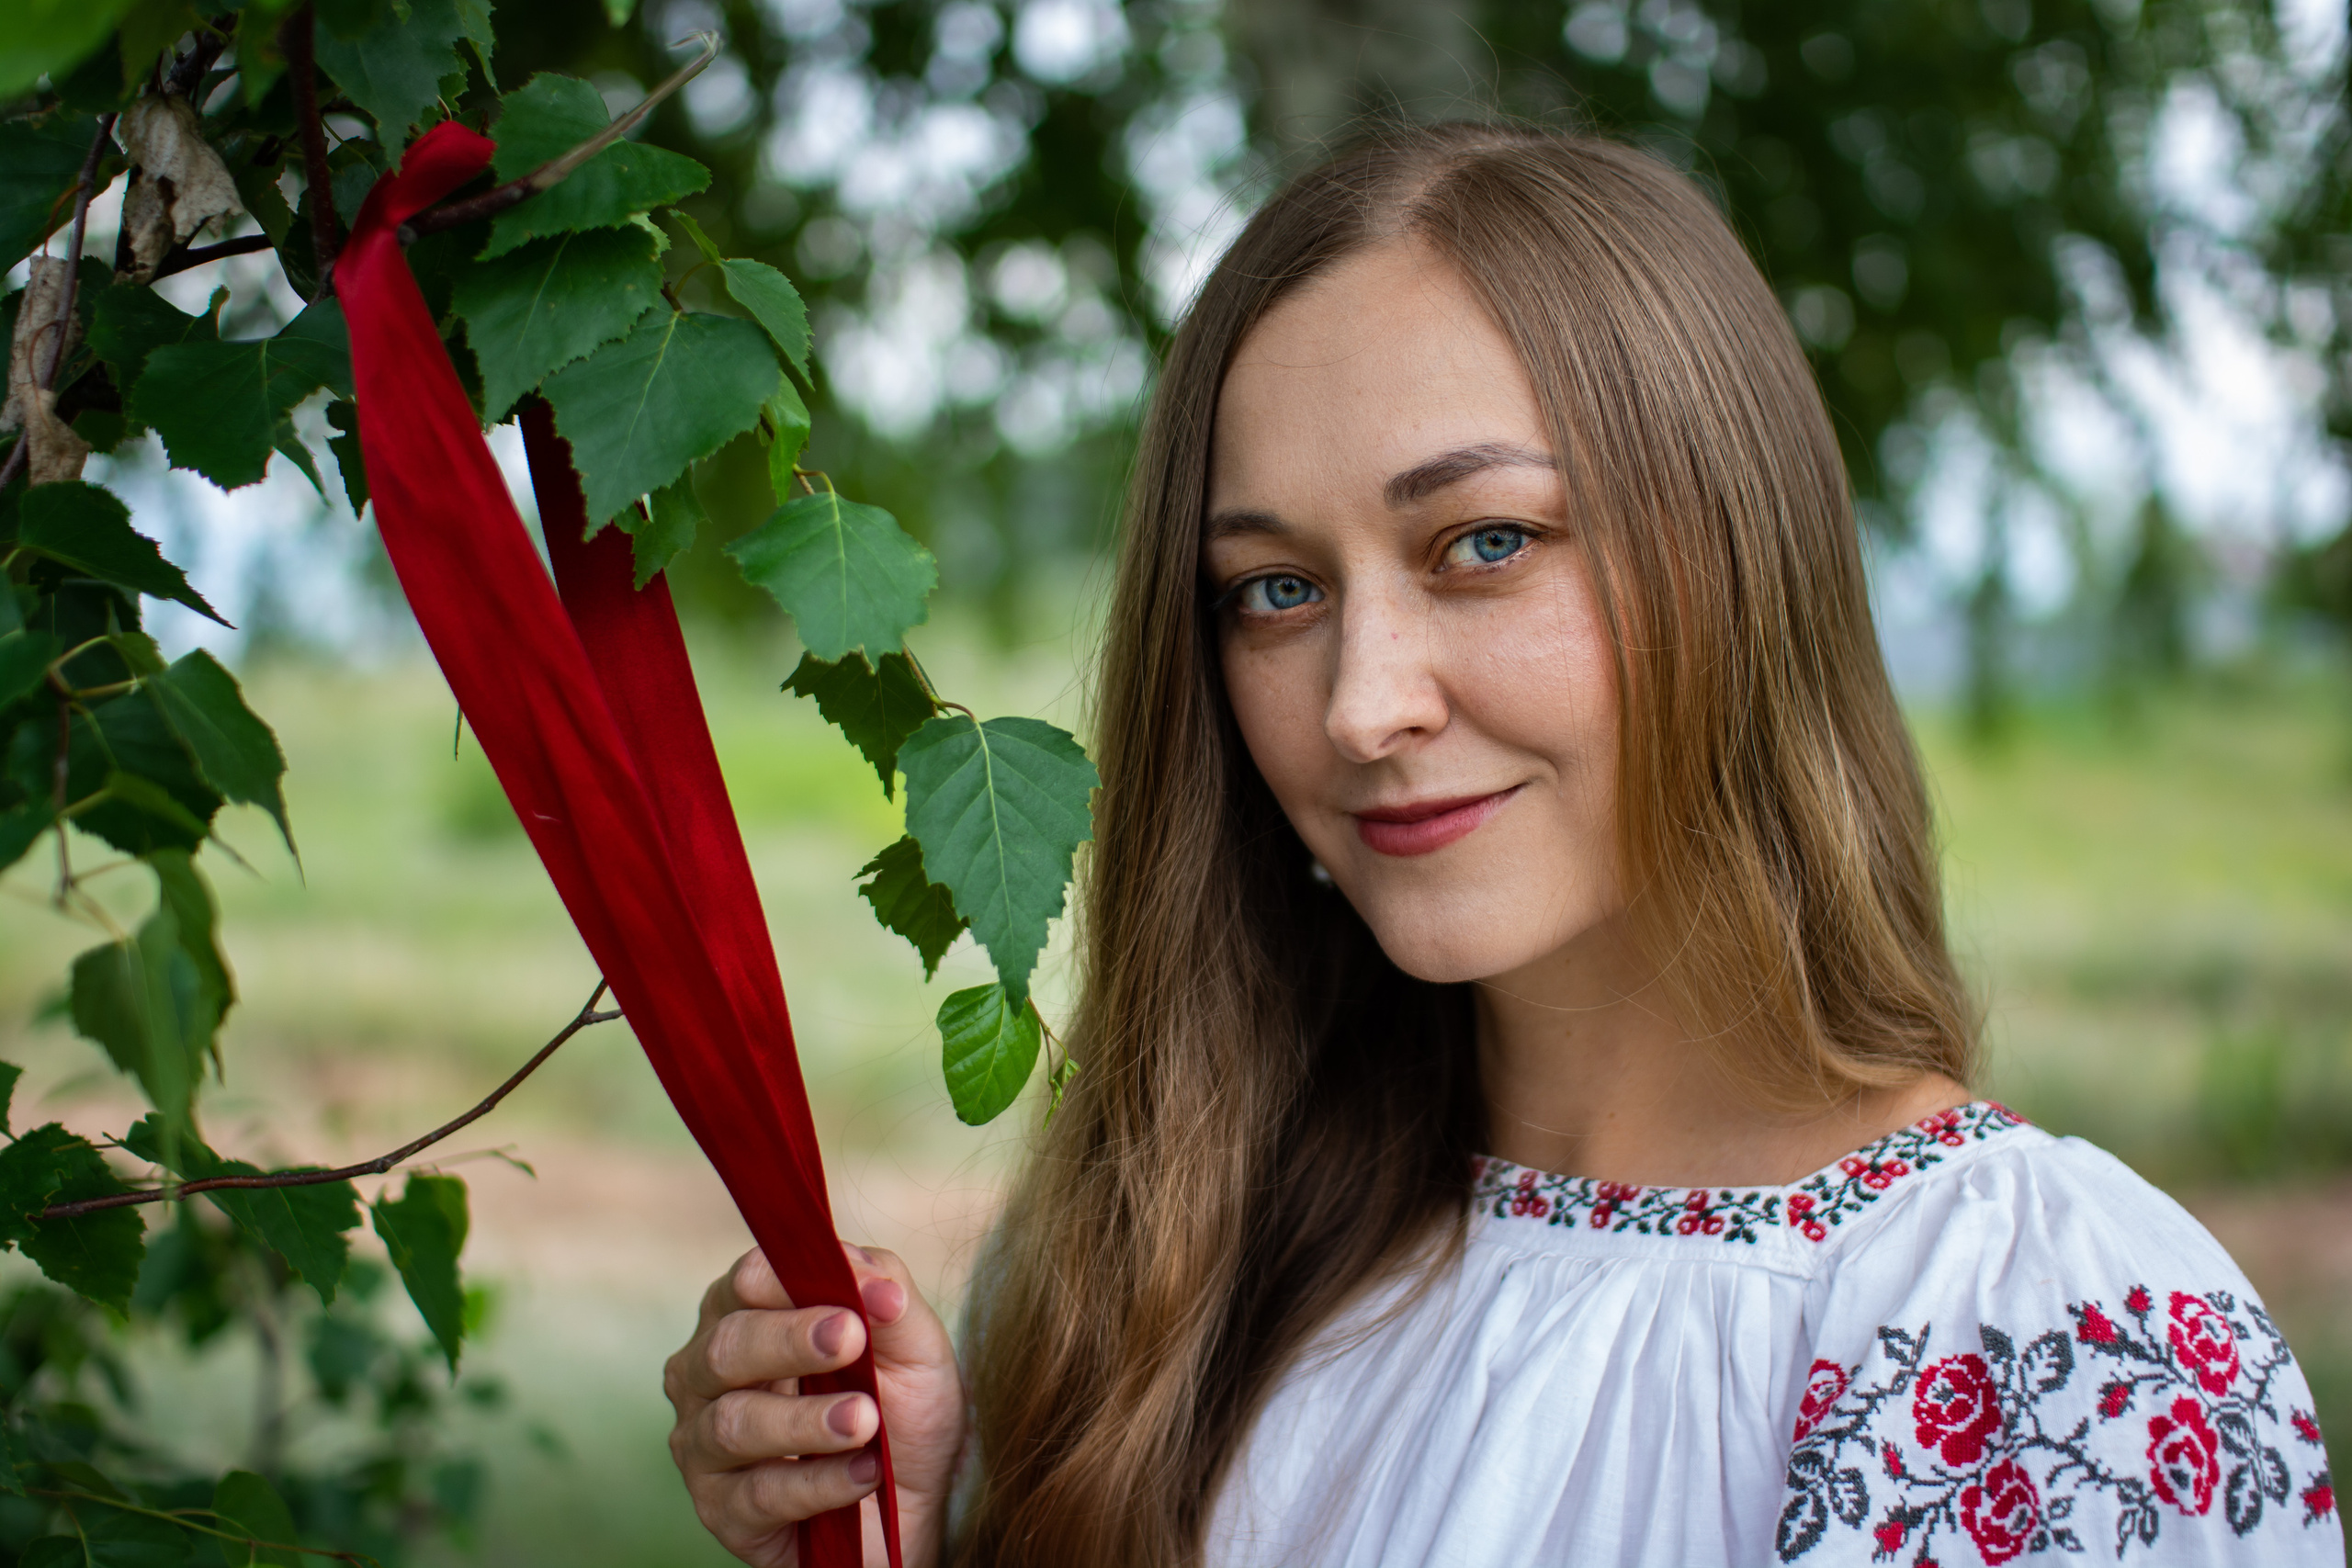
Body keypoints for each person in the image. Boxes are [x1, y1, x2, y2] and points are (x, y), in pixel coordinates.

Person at [661, 123, 2345, 1568]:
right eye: (1275, 589)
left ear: (1734, 554)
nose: (1361, 706)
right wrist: (914, 1526)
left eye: (1483, 543)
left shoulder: (2045, 1340)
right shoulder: (1161, 1272)